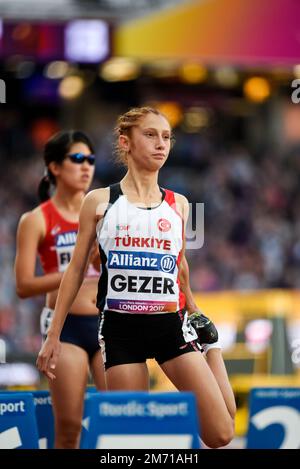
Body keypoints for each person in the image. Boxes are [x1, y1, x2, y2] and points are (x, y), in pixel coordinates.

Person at [36, 108, 236, 448]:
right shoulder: (99, 201)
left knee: (220, 434)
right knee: (133, 441)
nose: (161, 144)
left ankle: (211, 348)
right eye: (151, 135)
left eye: (167, 137)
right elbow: (76, 269)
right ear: (125, 142)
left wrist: (197, 312)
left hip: (169, 327)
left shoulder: (181, 204)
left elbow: (180, 266)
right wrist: (53, 334)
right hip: (120, 330)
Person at [15, 130, 106, 449]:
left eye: (91, 160)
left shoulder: (105, 210)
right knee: (68, 427)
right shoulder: (36, 219)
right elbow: (24, 286)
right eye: (77, 159)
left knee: (119, 415)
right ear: (54, 167)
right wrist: (77, 268)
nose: (86, 167)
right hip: (64, 326)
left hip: (109, 323)